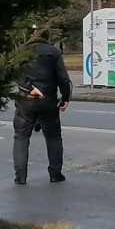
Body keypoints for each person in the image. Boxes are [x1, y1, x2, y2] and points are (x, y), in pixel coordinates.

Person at [12, 25, 71, 185]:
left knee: (21, 137)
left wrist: (30, 88)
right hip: (48, 100)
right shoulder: (53, 52)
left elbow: (15, 73)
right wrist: (65, 98)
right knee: (53, 137)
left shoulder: (22, 51)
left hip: (26, 100)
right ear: (47, 36)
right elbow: (63, 78)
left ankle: (21, 175)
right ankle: (55, 173)